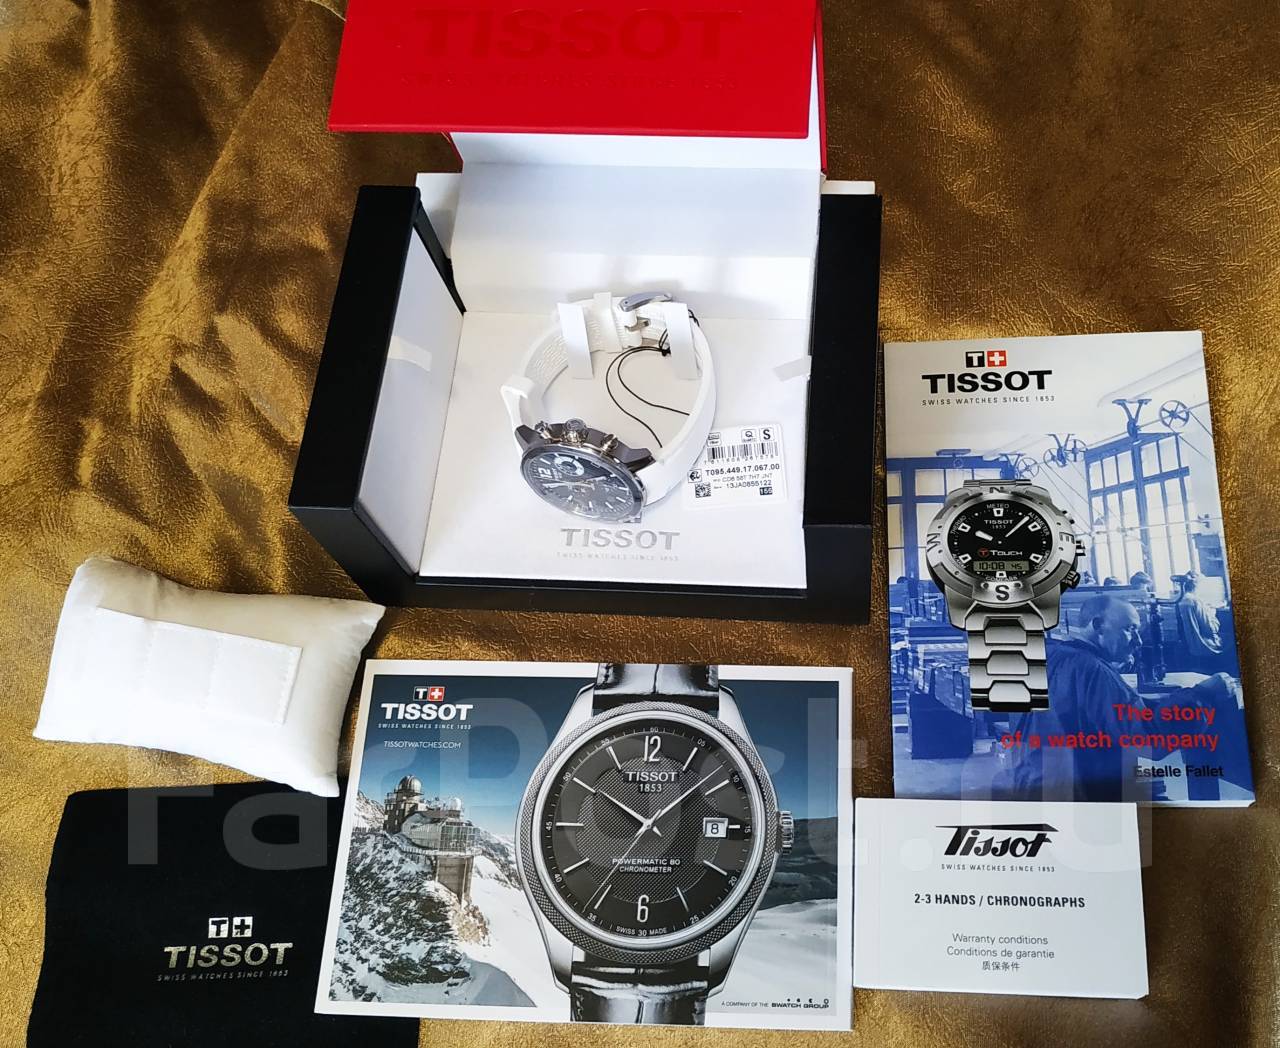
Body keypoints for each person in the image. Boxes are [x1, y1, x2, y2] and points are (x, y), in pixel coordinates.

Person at [1006, 594, 1240, 801]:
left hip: (1036, 785)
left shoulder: (1050, 655)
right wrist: (1202, 695)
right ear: (1098, 625)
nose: (1138, 641)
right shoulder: (1092, 670)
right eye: (1130, 629)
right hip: (1083, 797)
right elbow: (1148, 740)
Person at [1175, 571, 1223, 658]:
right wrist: (1212, 612)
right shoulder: (1195, 601)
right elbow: (1211, 628)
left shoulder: (1180, 599)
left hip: (1186, 644)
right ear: (1197, 585)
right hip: (1202, 645)